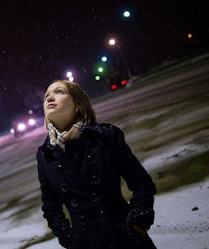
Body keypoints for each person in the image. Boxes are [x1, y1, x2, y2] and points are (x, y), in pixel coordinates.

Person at [36, 80, 157, 249]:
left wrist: (138, 220)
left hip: (125, 237)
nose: (49, 97)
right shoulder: (45, 154)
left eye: (59, 92)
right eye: (46, 96)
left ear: (78, 104)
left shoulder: (104, 136)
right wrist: (69, 238)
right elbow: (50, 207)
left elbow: (141, 183)